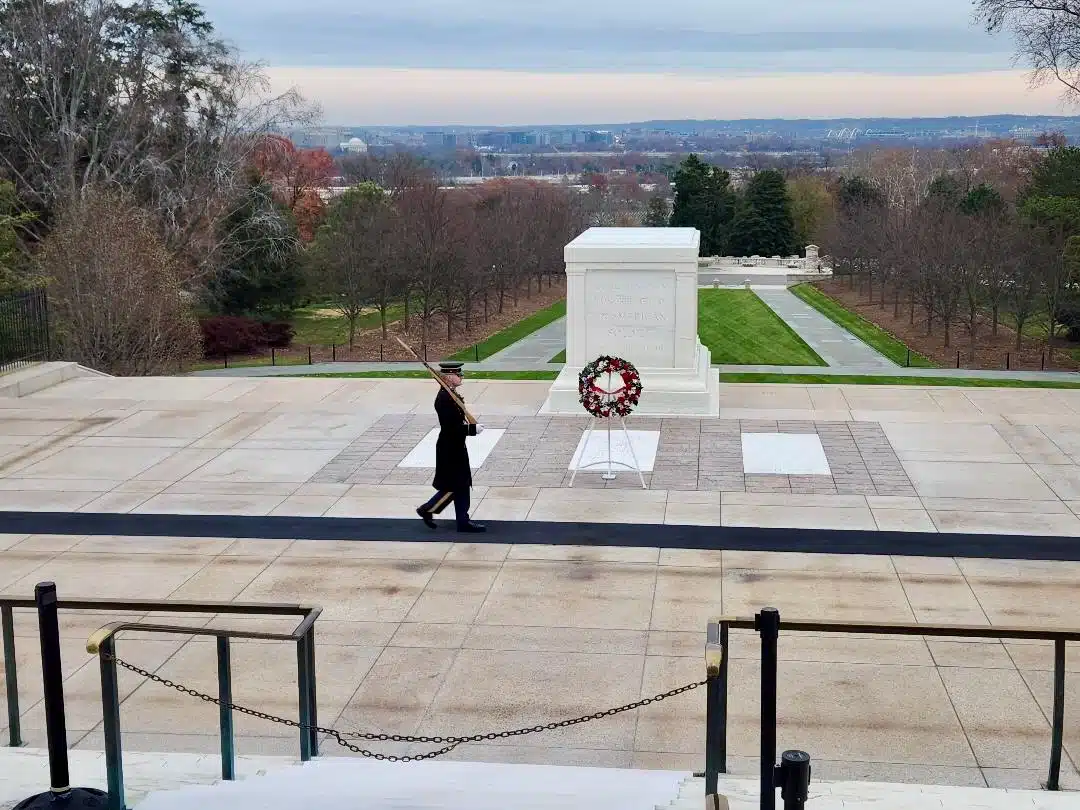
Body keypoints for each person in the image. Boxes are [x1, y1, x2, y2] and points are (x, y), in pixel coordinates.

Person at [416, 361, 487, 533]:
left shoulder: (450, 395)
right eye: (458, 374)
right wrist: (471, 429)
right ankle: (432, 510)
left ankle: (458, 519)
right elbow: (451, 428)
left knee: (459, 485)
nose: (461, 377)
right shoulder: (444, 399)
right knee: (456, 485)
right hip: (450, 448)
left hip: (454, 446)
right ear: (448, 377)